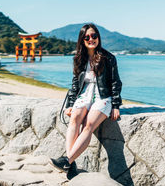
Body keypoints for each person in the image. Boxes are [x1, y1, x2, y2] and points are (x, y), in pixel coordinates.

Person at [51, 23, 122, 176]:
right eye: (87, 37)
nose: (91, 39)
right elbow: (75, 83)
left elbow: (116, 82)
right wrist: (70, 104)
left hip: (103, 96)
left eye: (94, 36)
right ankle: (69, 162)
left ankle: (67, 160)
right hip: (84, 94)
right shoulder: (79, 58)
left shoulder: (108, 58)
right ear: (82, 40)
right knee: (75, 118)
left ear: (98, 38)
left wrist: (116, 106)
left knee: (88, 124)